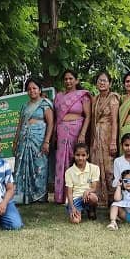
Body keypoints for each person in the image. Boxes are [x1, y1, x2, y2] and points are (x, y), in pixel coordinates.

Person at [12, 78, 54, 204]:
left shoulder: (45, 105)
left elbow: (51, 124)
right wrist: (15, 141)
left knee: (39, 166)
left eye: (34, 88)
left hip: (39, 140)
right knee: (22, 166)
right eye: (29, 89)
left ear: (40, 90)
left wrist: (46, 141)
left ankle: (39, 196)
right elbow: (20, 125)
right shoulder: (24, 106)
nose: (32, 91)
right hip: (24, 139)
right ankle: (22, 196)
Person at [53, 69, 91, 204]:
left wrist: (83, 133)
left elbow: (88, 116)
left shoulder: (82, 95)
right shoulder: (59, 96)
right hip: (61, 131)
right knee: (60, 161)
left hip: (77, 130)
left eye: (71, 78)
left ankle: (76, 194)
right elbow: (56, 116)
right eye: (66, 79)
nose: (68, 81)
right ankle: (60, 196)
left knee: (75, 159)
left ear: (76, 80)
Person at [90, 71, 120, 206]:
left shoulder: (113, 98)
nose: (102, 83)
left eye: (105, 80)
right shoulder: (95, 99)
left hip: (108, 134)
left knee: (109, 168)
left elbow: (114, 121)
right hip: (96, 136)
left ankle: (112, 197)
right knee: (96, 165)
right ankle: (99, 197)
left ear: (110, 83)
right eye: (99, 80)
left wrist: (113, 141)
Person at [65, 143, 100, 223]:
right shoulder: (69, 172)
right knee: (75, 221)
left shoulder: (94, 168)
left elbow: (94, 188)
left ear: (87, 156)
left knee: (93, 198)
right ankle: (79, 210)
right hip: (75, 199)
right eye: (78, 155)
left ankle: (91, 210)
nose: (80, 158)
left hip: (88, 196)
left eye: (83, 155)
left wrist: (87, 191)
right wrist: (72, 207)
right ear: (74, 155)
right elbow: (69, 193)